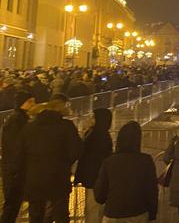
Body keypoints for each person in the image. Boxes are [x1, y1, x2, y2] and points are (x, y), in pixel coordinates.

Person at [20, 95, 82, 223]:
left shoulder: (29, 128)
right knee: (60, 214)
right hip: (58, 177)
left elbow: (21, 153)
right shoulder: (66, 126)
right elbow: (75, 151)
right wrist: (64, 163)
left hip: (35, 178)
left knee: (36, 214)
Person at [94, 121, 158, 222]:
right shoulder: (146, 161)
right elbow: (152, 190)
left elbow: (99, 195)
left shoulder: (109, 161)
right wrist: (152, 214)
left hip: (113, 213)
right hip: (138, 213)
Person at [1, 90, 35, 223]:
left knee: (14, 205)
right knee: (12, 205)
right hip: (14, 171)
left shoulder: (22, 118)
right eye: (30, 101)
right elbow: (15, 148)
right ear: (22, 103)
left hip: (16, 169)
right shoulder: (16, 121)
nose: (34, 104)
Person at [75, 108, 114, 223]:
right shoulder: (95, 133)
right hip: (94, 178)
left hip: (95, 179)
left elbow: (88, 157)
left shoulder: (99, 136)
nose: (91, 119)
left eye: (93, 117)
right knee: (93, 208)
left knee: (93, 208)